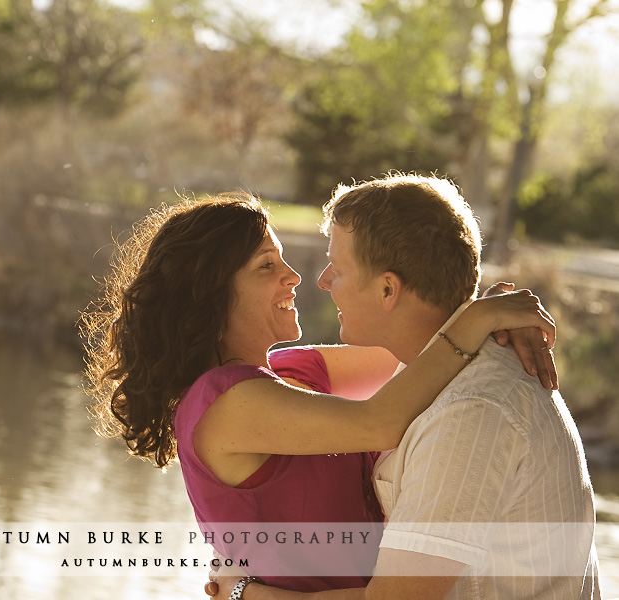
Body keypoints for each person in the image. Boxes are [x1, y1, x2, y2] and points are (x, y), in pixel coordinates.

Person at [81, 192, 557, 593]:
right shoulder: (225, 403)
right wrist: (479, 319)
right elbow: (381, 420)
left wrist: (497, 313)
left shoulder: (293, 372)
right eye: (267, 266)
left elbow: (420, 341)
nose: (294, 276)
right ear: (213, 293)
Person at [210, 174, 599, 599]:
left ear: (387, 289)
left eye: (337, 269)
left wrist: (243, 592)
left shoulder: (469, 412)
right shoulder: (438, 373)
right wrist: (483, 312)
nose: (321, 281)